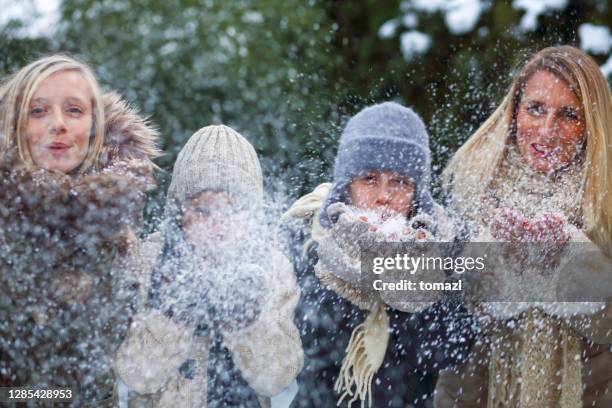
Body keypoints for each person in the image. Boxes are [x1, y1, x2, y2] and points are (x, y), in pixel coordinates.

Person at [435, 45, 612, 407]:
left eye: (568, 115)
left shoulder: (606, 204)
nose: (548, 130)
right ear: (515, 111)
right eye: (535, 109)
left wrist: (573, 272)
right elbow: (441, 326)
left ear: (591, 123)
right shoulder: (473, 193)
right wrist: (493, 269)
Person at [282, 102, 475, 407]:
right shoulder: (308, 239)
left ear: (417, 193)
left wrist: (403, 278)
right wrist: (351, 266)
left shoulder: (444, 248)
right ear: (347, 186)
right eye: (369, 179)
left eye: (399, 182)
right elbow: (301, 349)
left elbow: (447, 350)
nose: (384, 196)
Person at [0, 54, 160, 406]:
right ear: (12, 123)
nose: (58, 124)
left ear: (94, 126)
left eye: (74, 110)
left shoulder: (115, 230)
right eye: (38, 110)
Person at [115, 125, 303, 407]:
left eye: (232, 209)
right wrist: (173, 315)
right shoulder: (150, 260)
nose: (217, 223)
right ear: (179, 214)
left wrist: (248, 323)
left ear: (252, 214)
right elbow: (136, 376)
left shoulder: (272, 268)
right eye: (202, 210)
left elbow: (277, 379)